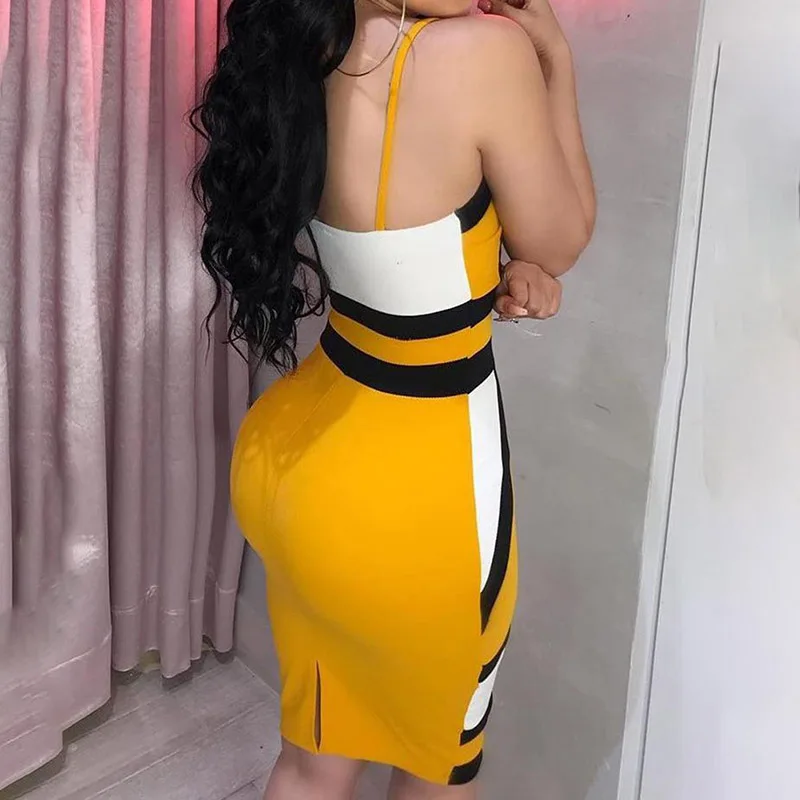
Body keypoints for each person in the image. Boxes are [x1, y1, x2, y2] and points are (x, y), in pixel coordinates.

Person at [191, 0, 595, 797]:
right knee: (438, 771)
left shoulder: (306, 41)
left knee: (313, 765)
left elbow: (407, 243)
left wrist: (498, 267)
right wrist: (556, 57)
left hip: (296, 463)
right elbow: (561, 238)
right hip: (420, 503)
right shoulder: (487, 52)